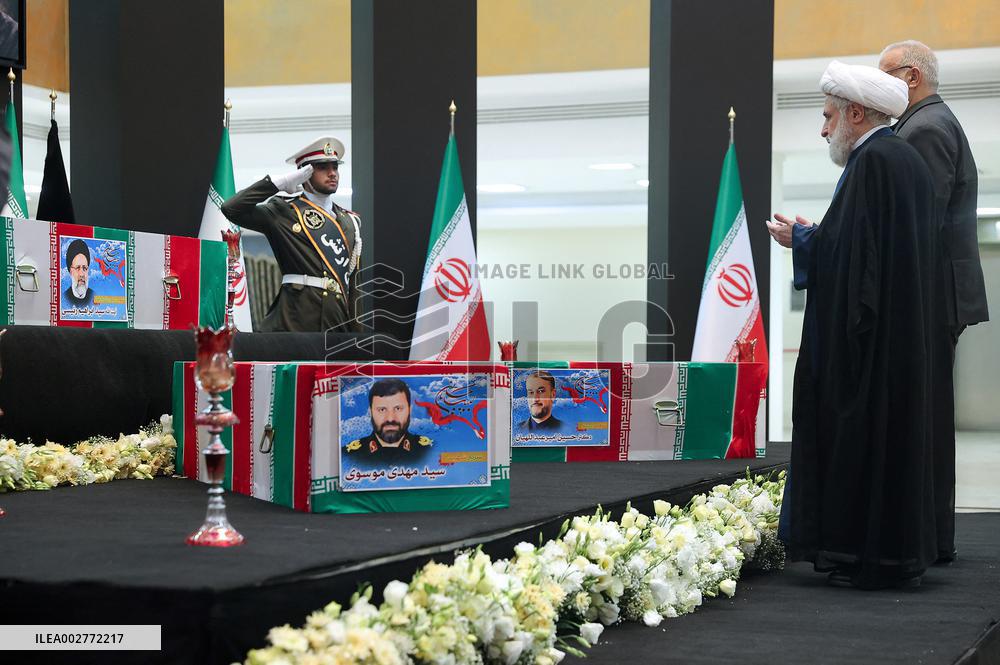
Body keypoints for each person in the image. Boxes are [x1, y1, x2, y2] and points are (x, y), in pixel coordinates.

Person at [774, 61, 938, 590]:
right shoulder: (903, 159)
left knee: (858, 441)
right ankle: (882, 554)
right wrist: (818, 235)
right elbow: (868, 251)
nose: (823, 130)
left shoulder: (872, 163)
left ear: (856, 113)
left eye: (828, 117)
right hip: (899, 339)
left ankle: (857, 552)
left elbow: (854, 262)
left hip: (869, 350)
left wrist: (801, 241)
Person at [878, 40, 989, 564]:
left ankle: (925, 537)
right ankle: (930, 535)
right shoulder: (930, 124)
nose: (879, 88)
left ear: (912, 77)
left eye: (886, 76)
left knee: (923, 420)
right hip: (937, 294)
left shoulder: (924, 130)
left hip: (928, 297)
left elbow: (917, 222)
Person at [221, 137, 363, 333]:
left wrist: (358, 339)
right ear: (304, 174)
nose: (332, 173)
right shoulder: (284, 211)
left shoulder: (349, 222)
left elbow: (354, 287)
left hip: (337, 323)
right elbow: (231, 208)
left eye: (335, 167)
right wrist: (277, 183)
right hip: (295, 320)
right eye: (322, 167)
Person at [344, 378, 433, 462]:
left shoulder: (430, 450)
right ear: (370, 413)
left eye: (398, 408)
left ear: (410, 410)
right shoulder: (348, 456)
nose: (390, 418)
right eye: (382, 410)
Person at [63, 239, 95, 308]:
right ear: (70, 271)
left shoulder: (94, 296)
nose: (82, 274)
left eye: (84, 268)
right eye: (77, 268)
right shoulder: (63, 298)